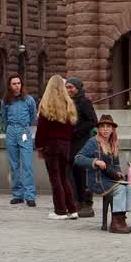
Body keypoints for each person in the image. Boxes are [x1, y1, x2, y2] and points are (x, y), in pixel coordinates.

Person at [74, 115, 131, 234]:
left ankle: (121, 219)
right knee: (120, 189)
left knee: (129, 187)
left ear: (112, 129)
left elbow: (116, 164)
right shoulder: (93, 142)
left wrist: (119, 172)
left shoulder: (113, 143)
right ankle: (116, 224)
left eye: (108, 127)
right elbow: (78, 159)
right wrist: (95, 162)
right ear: (99, 129)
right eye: (102, 127)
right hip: (97, 180)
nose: (105, 129)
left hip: (109, 179)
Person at [34, 75, 79, 220]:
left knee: (55, 178)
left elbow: (41, 129)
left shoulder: (46, 104)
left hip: (51, 145)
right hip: (65, 145)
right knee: (64, 177)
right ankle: (72, 209)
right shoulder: (69, 104)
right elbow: (72, 128)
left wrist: (39, 146)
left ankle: (60, 210)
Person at [1, 74, 36, 207]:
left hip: (24, 131)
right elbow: (4, 117)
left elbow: (33, 115)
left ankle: (30, 195)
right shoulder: (6, 101)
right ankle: (17, 194)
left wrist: (25, 126)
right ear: (10, 86)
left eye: (19, 83)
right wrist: (10, 129)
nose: (17, 86)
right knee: (14, 164)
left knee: (27, 164)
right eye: (14, 83)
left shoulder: (28, 100)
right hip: (11, 130)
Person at [66, 77, 98, 218]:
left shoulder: (84, 101)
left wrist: (77, 131)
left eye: (71, 87)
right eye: (67, 87)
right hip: (71, 142)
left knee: (82, 172)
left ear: (78, 88)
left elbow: (93, 121)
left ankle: (86, 202)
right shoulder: (68, 102)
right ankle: (76, 201)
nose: (69, 90)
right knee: (73, 172)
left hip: (81, 141)